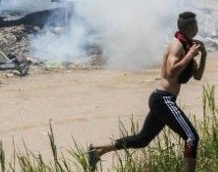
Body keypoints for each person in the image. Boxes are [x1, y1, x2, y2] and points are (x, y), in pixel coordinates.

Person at [87, 12, 206, 172]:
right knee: (191, 137)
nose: (197, 28)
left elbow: (197, 76)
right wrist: (190, 55)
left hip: (163, 100)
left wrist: (203, 55)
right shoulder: (177, 45)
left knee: (142, 140)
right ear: (192, 27)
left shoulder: (187, 45)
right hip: (163, 99)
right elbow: (171, 72)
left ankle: (98, 150)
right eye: (196, 25)